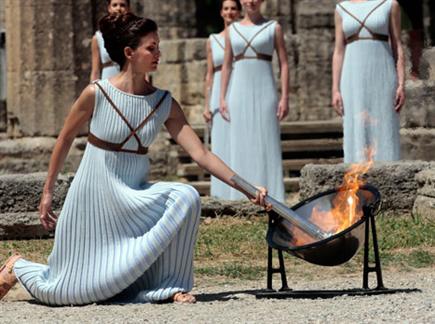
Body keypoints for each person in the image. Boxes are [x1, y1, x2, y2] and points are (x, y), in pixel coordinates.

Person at [0, 13, 269, 305]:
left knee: (187, 196)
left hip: (133, 199)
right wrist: (48, 192)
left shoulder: (163, 102)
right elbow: (64, 140)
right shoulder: (96, 93)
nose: (158, 54)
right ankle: (19, 266)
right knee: (67, 293)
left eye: (158, 47)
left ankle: (168, 286)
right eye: (151, 48)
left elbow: (201, 154)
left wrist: (249, 189)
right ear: (130, 53)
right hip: (93, 201)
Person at [219, 0, 289, 202]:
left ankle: (273, 195)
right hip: (238, 91)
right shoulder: (233, 30)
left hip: (265, 89)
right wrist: (222, 97)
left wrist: (284, 96)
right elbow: (226, 66)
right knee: (240, 141)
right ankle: (242, 196)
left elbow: (284, 64)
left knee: (267, 139)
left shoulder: (273, 28)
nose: (251, 1)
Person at [332, 0, 405, 163]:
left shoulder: (389, 4)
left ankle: (388, 179)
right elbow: (338, 51)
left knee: (384, 127)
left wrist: (401, 84)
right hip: (351, 78)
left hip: (383, 74)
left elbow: (397, 46)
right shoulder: (341, 9)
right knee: (356, 128)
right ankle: (356, 182)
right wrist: (335, 89)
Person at [203, 0, 241, 199]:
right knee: (221, 143)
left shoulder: (243, 36)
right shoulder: (213, 40)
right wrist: (206, 104)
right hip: (219, 87)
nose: (230, 12)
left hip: (239, 84)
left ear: (239, 12)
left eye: (233, 8)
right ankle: (221, 193)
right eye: (226, 9)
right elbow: (209, 74)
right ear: (221, 12)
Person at [90, 0, 130, 81]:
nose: (118, 8)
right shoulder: (98, 37)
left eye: (122, 5)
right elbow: (95, 71)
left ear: (128, 8)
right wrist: (93, 90)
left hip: (129, 82)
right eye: (114, 5)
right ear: (109, 8)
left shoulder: (134, 35)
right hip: (107, 82)